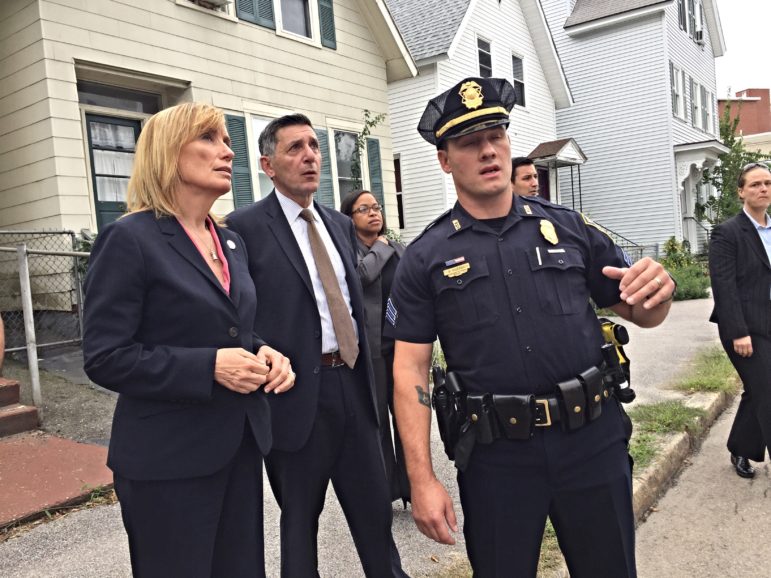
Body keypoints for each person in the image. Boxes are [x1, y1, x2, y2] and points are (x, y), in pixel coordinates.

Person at [386, 77, 675, 578]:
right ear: (445, 160)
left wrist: (658, 294)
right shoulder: (424, 258)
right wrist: (421, 478)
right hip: (497, 457)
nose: (488, 150)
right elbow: (409, 368)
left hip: (592, 442)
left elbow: (640, 310)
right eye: (469, 142)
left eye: (496, 134)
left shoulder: (568, 228)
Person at [82, 102, 294, 578]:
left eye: (226, 141)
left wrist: (265, 351)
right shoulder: (129, 239)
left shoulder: (229, 240)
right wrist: (209, 367)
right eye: (211, 139)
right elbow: (104, 356)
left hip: (237, 446)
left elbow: (232, 327)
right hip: (166, 461)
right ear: (168, 152)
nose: (228, 152)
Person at [227, 114, 407, 578]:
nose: (309, 155)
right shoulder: (244, 227)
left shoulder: (338, 224)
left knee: (375, 513)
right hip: (297, 398)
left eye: (313, 146)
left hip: (354, 386)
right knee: (299, 523)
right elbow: (237, 314)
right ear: (267, 164)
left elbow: (353, 300)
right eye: (294, 148)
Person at [340, 189, 410, 505]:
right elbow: (361, 276)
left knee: (408, 418)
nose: (373, 213)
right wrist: (380, 247)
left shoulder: (399, 250)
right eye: (364, 209)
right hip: (371, 352)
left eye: (376, 207)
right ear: (349, 217)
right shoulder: (347, 252)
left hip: (402, 349)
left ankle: (413, 486)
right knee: (378, 421)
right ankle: (385, 489)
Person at [709, 161, 771, 479]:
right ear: (741, 191)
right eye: (756, 184)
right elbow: (725, 286)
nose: (763, 189)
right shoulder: (727, 232)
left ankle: (740, 448)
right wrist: (738, 332)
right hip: (745, 327)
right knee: (766, 387)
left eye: (767, 183)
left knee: (759, 388)